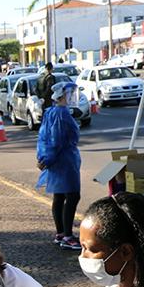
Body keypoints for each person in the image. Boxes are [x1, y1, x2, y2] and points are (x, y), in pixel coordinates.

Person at [37, 81, 82, 251]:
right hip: (64, 161)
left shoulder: (50, 112)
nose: (71, 97)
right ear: (63, 95)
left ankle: (61, 233)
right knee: (72, 195)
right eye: (69, 94)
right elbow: (57, 140)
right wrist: (47, 159)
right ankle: (68, 236)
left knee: (59, 196)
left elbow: (44, 137)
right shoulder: (61, 114)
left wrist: (43, 158)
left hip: (57, 161)